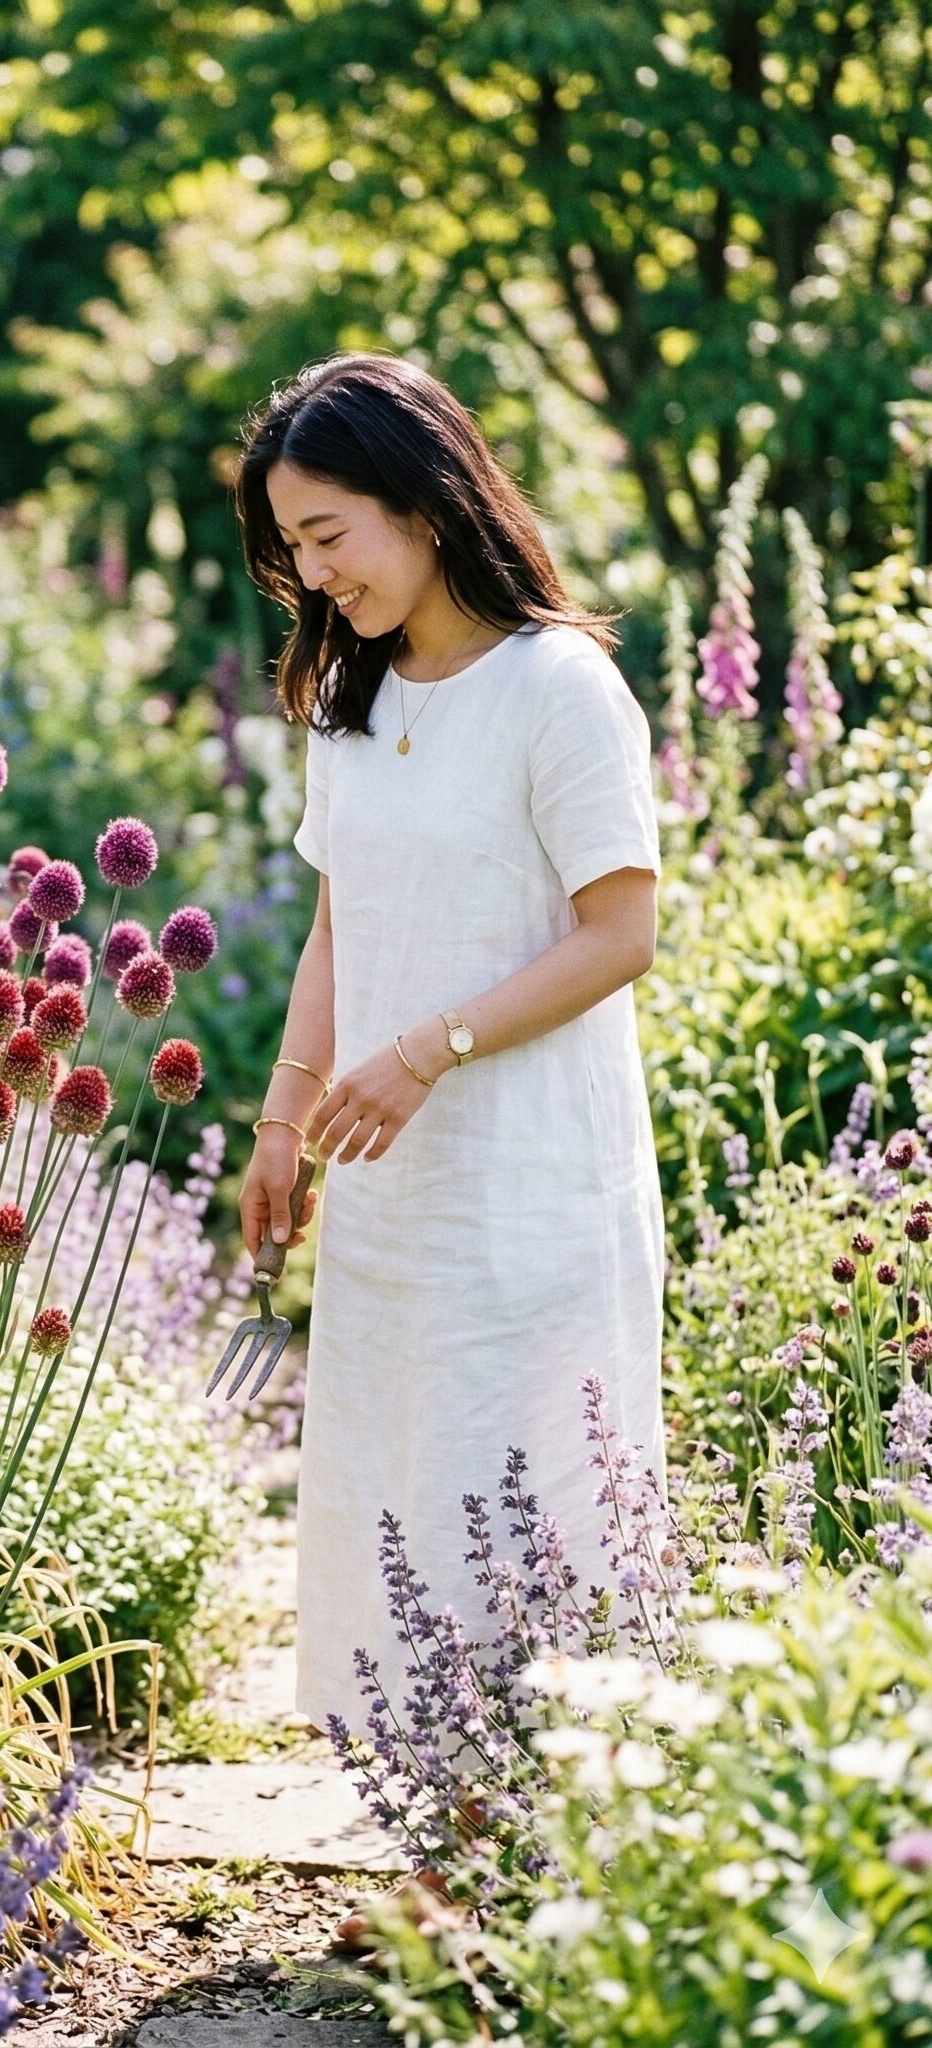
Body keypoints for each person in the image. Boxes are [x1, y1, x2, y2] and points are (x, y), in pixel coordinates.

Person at [229, 353, 669, 1929]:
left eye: (332, 531)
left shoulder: (559, 689)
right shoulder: (348, 705)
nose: (315, 573)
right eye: (291, 548)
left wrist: (431, 1047)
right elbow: (347, 924)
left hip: (531, 1172)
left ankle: (517, 1869)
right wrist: (285, 1115)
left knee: (527, 1484)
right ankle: (451, 1855)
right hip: (391, 1183)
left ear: (425, 500)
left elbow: (622, 932)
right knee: (411, 1487)